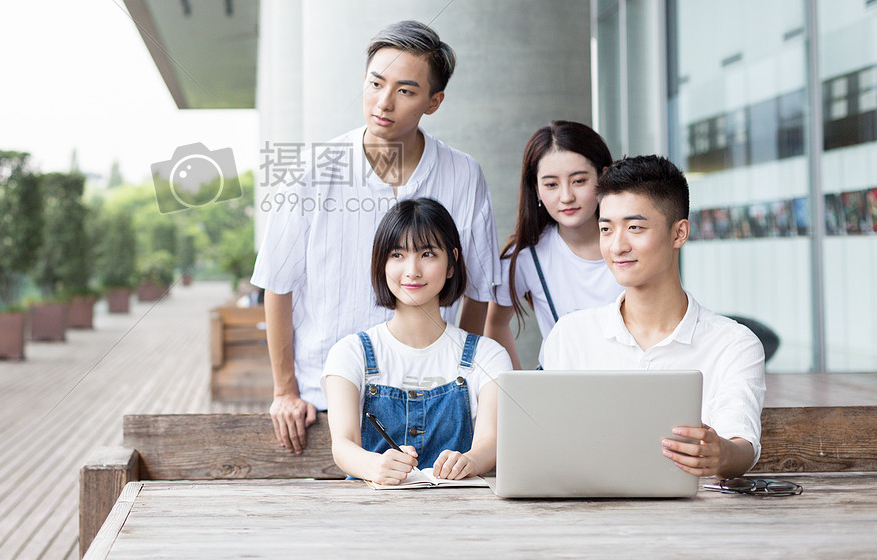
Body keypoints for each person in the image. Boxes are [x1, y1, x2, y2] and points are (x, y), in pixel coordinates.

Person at [251, 20, 501, 454]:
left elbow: (478, 288)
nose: (383, 102)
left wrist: (463, 377)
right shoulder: (310, 172)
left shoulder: (463, 173)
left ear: (434, 101)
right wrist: (284, 390)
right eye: (375, 83)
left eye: (405, 90)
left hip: (436, 399)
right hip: (325, 400)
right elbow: (279, 284)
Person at [542, 155, 766, 479]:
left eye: (634, 227)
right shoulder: (570, 334)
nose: (617, 246)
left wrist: (719, 454)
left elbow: (742, 445)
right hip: (589, 518)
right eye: (606, 229)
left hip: (696, 522)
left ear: (679, 233)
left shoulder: (734, 344)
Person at [323, 198, 511, 484]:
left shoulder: (487, 356)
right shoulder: (350, 353)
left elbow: (491, 441)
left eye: (427, 254)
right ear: (381, 263)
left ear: (452, 263)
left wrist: (469, 460)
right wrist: (374, 466)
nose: (412, 270)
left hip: (461, 518)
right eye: (397, 255)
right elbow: (344, 444)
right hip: (367, 518)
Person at [484, 120, 619, 368]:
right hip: (559, 395)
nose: (566, 196)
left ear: (604, 176)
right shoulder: (526, 255)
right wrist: (516, 388)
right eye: (551, 185)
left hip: (632, 386)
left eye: (579, 181)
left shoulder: (630, 242)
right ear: (535, 189)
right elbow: (496, 322)